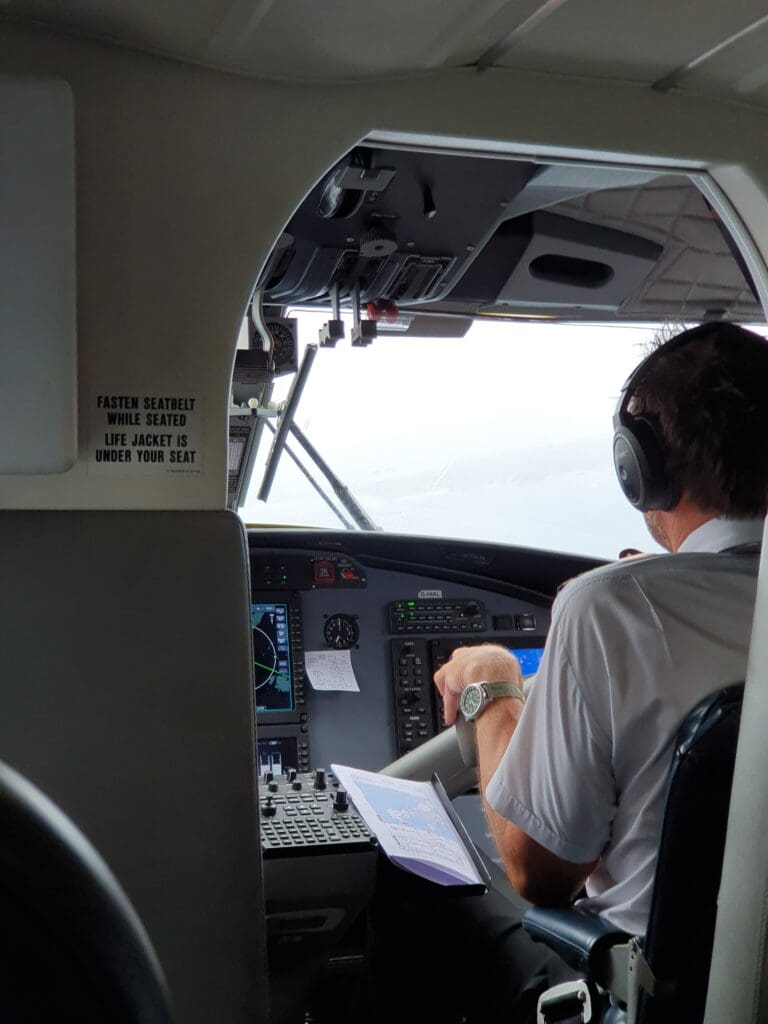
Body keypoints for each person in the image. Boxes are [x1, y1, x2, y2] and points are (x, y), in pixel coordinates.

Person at [372, 321, 768, 1022]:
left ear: (640, 468)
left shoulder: (609, 606)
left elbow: (540, 872)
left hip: (639, 996)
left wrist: (493, 688)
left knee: (414, 860)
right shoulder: (627, 602)